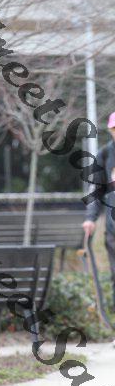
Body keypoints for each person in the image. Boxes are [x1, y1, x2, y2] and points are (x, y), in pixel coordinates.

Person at [82, 112, 115, 308]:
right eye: (114, 129)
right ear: (110, 130)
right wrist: (90, 218)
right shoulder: (105, 154)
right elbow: (96, 190)